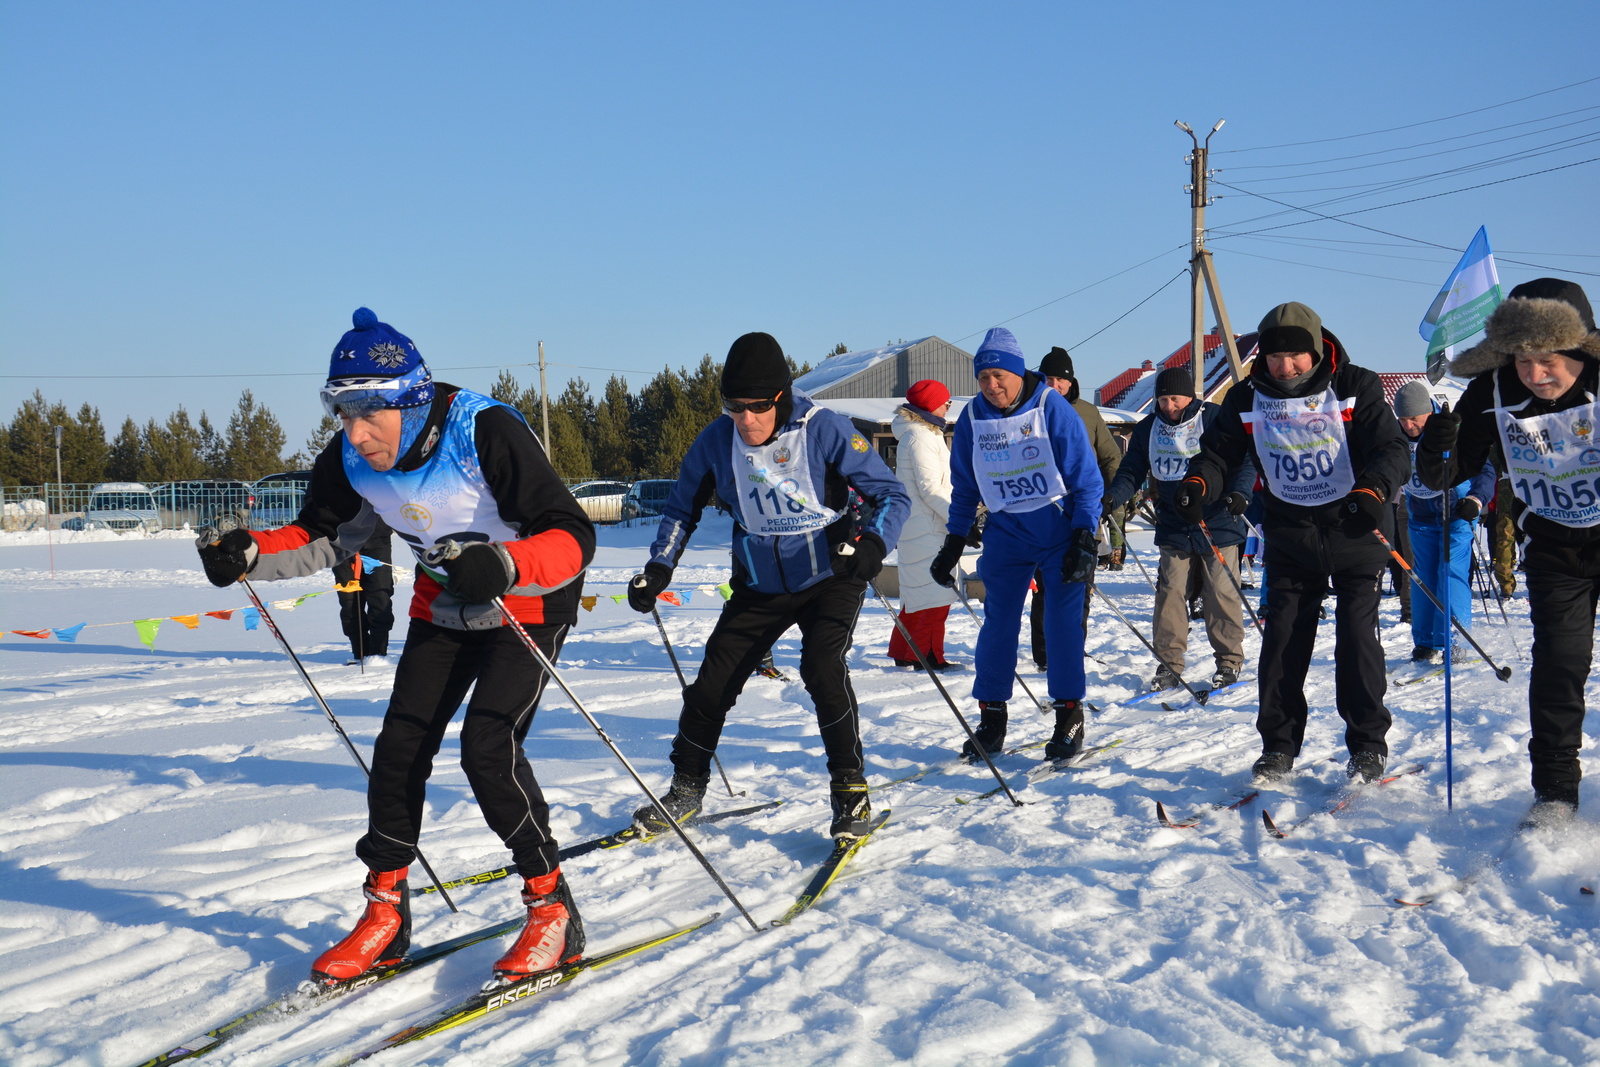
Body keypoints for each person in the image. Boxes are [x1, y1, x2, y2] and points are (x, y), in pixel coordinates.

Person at [196, 308, 595, 985]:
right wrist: (250, 553)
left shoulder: (483, 431)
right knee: (399, 750)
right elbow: (323, 535)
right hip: (443, 606)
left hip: (527, 599)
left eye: (369, 414)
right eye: (341, 412)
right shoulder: (350, 457)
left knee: (487, 749)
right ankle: (386, 914)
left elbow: (573, 536)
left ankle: (551, 906)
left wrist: (503, 564)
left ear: (410, 399)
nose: (355, 432)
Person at [627, 332, 909, 839]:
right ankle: (687, 787)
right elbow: (680, 507)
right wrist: (659, 568)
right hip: (758, 580)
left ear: (781, 398)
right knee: (713, 681)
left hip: (831, 573)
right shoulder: (717, 439)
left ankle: (850, 793)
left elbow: (890, 494)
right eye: (734, 407)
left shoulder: (825, 429)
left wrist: (871, 546)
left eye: (757, 407)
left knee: (821, 667)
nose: (746, 420)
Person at [1177, 302, 1409, 784]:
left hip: (1353, 529)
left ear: (1316, 349)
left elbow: (1390, 448)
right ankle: (1278, 746)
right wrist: (1199, 482)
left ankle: (1367, 746)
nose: (1285, 366)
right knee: (1282, 643)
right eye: (1276, 356)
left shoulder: (1354, 385)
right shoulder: (1247, 397)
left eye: (1296, 355)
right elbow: (1218, 455)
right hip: (1290, 535)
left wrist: (1373, 489)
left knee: (1357, 642)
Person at [1417, 278, 1600, 819]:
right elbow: (1445, 473)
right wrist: (1437, 441)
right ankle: (1556, 793)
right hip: (1554, 547)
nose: (1536, 374)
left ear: (1579, 350)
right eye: (1522, 360)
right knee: (1560, 669)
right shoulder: (1492, 390)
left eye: (1548, 360)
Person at [929, 328, 1103, 761]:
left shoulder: (1050, 406)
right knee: (998, 623)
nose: (991, 386)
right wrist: (953, 540)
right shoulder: (972, 417)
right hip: (1006, 531)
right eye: (983, 377)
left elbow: (1087, 478)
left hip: (1057, 530)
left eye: (999, 375)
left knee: (1061, 626)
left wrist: (1084, 533)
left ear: (1016, 371)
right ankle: (992, 719)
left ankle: (1068, 715)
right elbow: (965, 486)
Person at [1105, 366, 1255, 691]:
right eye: (1162, 399)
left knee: (1220, 591)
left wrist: (1241, 493)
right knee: (1170, 592)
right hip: (1174, 524)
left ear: (1189, 395)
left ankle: (1229, 661)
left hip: (1216, 520)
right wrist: (1112, 498)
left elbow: (1243, 459)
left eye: (1174, 398)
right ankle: (1169, 663)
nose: (1169, 406)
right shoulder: (1149, 429)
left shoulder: (1213, 417)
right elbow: (1132, 470)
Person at [1030, 346, 1121, 669]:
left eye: (1061, 380)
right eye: (1049, 378)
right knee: (1044, 588)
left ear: (1071, 383)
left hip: (1083, 510)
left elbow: (1111, 458)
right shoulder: (1028, 411)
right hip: (1042, 512)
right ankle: (1043, 655)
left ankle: (1072, 649)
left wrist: (1112, 498)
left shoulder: (1088, 413)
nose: (1055, 385)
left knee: (1080, 585)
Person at [1391, 380, 1495, 663]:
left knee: (1449, 571)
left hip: (1456, 514)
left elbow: (1485, 469)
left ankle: (1455, 640)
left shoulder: (1448, 430)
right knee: (1423, 576)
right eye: (1402, 419)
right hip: (1421, 516)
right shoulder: (1395, 435)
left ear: (1428, 412)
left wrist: (1476, 500)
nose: (1408, 425)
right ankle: (1426, 641)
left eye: (1414, 419)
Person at [887, 379, 959, 669]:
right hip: (928, 526)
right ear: (931, 404)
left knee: (918, 591)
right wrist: (958, 520)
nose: (948, 407)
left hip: (922, 524)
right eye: (946, 402)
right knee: (934, 592)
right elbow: (931, 488)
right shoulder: (922, 437)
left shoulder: (924, 433)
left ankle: (904, 651)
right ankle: (928, 655)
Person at [333, 516, 396, 662]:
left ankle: (378, 654)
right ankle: (359, 653)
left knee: (380, 595)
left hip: (378, 539)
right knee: (349, 599)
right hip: (341, 541)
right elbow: (313, 500)